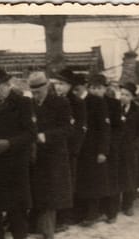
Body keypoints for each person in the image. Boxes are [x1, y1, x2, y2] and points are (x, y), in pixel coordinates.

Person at [0, 70, 36, 239]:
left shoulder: (23, 103)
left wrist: (9, 143)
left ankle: (20, 236)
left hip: (15, 159)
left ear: (8, 85)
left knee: (17, 201)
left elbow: (31, 133)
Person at [28, 71, 73, 239]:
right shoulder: (30, 104)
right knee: (37, 191)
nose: (35, 94)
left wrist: (46, 136)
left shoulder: (60, 103)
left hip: (54, 155)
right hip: (35, 154)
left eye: (38, 91)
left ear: (46, 87)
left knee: (50, 192)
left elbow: (68, 129)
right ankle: (36, 226)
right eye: (32, 91)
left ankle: (48, 231)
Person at [53, 69, 88, 229]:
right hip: (56, 148)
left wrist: (75, 149)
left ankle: (66, 217)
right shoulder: (53, 100)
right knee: (57, 183)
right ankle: (57, 216)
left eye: (62, 84)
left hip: (70, 149)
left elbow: (80, 128)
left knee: (69, 183)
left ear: (70, 86)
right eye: (57, 84)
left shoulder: (77, 102)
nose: (58, 87)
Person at [75, 74, 111, 227]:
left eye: (98, 88)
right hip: (83, 148)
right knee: (84, 181)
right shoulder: (82, 101)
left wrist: (103, 151)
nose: (95, 91)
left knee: (94, 182)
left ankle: (93, 214)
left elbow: (104, 128)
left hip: (95, 148)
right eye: (93, 87)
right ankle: (82, 213)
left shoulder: (99, 103)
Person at [118, 82, 139, 216]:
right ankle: (115, 204)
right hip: (116, 149)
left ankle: (128, 204)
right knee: (116, 176)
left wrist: (136, 146)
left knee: (129, 176)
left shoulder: (138, 111)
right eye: (122, 94)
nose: (123, 97)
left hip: (130, 150)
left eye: (126, 95)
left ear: (132, 97)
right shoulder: (115, 108)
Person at [103, 82, 124, 223]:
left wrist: (112, 145)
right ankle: (103, 210)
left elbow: (117, 128)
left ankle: (112, 212)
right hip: (100, 147)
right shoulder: (94, 102)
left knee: (112, 179)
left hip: (112, 148)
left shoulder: (114, 105)